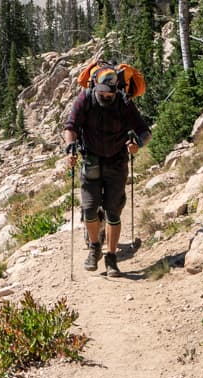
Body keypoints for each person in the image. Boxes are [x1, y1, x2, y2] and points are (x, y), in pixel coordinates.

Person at [63, 67, 151, 274]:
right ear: (94, 86)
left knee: (113, 212)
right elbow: (71, 126)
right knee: (89, 209)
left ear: (116, 90)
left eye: (109, 94)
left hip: (117, 163)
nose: (105, 97)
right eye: (102, 93)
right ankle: (95, 248)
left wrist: (137, 144)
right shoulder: (85, 99)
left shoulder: (124, 102)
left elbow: (144, 130)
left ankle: (111, 257)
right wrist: (70, 147)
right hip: (91, 160)